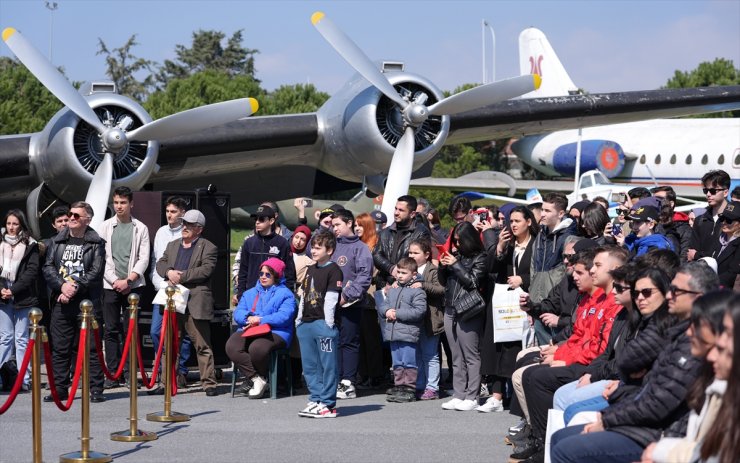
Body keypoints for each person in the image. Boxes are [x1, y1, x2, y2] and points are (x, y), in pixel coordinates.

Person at [549, 261, 720, 463]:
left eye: (675, 291)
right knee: (561, 435)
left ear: (698, 298)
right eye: (636, 292)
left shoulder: (693, 339)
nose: (668, 296)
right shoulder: (671, 328)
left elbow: (657, 399)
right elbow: (627, 363)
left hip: (660, 432)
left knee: (567, 445)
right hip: (641, 412)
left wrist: (607, 420)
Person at [512, 246, 627, 462]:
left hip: (595, 367)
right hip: (591, 363)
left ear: (616, 269)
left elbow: (600, 349)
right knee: (530, 369)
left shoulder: (613, 302)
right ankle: (540, 439)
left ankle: (545, 443)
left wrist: (565, 358)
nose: (592, 271)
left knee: (536, 378)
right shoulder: (593, 299)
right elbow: (580, 338)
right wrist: (561, 353)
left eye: (597, 266)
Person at [640, 290, 733, 463]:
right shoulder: (709, 375)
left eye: (696, 324)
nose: (689, 332)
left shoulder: (724, 389)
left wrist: (660, 451)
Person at [43, 201, 106, 403]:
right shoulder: (57, 241)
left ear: (87, 219)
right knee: (60, 348)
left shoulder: (97, 243)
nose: (71, 218)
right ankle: (60, 389)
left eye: (76, 215)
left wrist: (74, 287)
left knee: (91, 348)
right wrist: (62, 287)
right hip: (62, 300)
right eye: (70, 214)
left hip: (87, 302)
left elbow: (95, 272)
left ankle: (96, 388)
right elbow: (48, 268)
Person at [479, 206, 537, 413]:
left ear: (529, 222)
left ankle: (515, 394)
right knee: (498, 345)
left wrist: (524, 279)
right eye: (510, 221)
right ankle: (496, 395)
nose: (512, 225)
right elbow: (492, 268)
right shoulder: (509, 244)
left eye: (517, 221)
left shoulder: (537, 245)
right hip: (504, 301)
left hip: (526, 300)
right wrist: (500, 246)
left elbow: (543, 274)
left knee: (517, 348)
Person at [156, 209, 220, 396]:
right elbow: (160, 263)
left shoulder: (209, 247)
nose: (185, 227)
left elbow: (205, 271)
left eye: (190, 225)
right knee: (170, 344)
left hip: (195, 300)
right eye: (184, 223)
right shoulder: (172, 245)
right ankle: (166, 383)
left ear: (199, 229)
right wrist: (168, 272)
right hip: (174, 300)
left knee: (201, 344)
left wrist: (180, 276)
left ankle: (209, 384)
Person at [99, 186, 150, 388]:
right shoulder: (104, 227)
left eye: (123, 202)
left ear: (131, 204)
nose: (119, 206)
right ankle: (113, 373)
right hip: (110, 285)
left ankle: (130, 373)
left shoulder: (141, 228)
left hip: (133, 286)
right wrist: (115, 281)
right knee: (110, 330)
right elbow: (102, 259)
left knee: (131, 330)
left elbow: (144, 258)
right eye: (116, 202)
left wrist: (129, 280)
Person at [226, 258, 296, 399]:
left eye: (268, 274)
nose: (263, 277)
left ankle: (259, 379)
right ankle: (257, 379)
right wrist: (248, 317)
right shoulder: (250, 293)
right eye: (261, 273)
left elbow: (284, 317)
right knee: (232, 346)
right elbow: (238, 312)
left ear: (277, 275)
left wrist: (261, 319)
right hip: (250, 328)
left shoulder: (286, 294)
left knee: (257, 348)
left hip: (277, 331)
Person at [439, 221, 488, 411]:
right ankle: (459, 393)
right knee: (455, 354)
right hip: (450, 307)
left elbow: (473, 282)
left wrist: (456, 265)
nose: (457, 245)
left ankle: (472, 395)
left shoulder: (481, 257)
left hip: (469, 310)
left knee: (471, 354)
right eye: (455, 241)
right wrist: (443, 267)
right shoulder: (455, 256)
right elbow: (444, 282)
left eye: (460, 242)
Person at [295, 230, 343, 418]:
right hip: (306, 323)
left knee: (327, 365)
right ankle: (315, 398)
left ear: (329, 250)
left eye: (318, 248)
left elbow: (331, 299)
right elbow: (304, 296)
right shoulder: (310, 269)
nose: (313, 251)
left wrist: (328, 323)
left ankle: (328, 403)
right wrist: (299, 320)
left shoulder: (334, 270)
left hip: (323, 323)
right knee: (310, 366)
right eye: (312, 247)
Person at [148, 196, 191, 395]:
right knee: (156, 331)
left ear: (182, 213)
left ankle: (179, 371)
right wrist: (161, 284)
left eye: (173, 211)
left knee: (180, 333)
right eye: (167, 211)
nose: (169, 215)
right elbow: (157, 261)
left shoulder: (186, 232)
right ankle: (164, 367)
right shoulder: (161, 232)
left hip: (181, 287)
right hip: (162, 288)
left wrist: (177, 281)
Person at [330, 209, 373, 400]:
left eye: (338, 224)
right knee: (334, 341)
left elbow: (364, 276)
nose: (335, 228)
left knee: (348, 341)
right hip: (331, 303)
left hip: (350, 304)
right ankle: (337, 379)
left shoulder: (360, 248)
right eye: (333, 225)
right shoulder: (332, 245)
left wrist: (347, 295)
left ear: (349, 223)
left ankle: (348, 383)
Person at [377, 257, 426, 403]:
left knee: (408, 362)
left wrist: (397, 313)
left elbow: (419, 311)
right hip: (394, 332)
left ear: (414, 274)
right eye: (398, 272)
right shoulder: (393, 289)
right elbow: (384, 304)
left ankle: (409, 387)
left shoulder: (417, 291)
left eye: (404, 273)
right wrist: (386, 312)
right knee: (397, 362)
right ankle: (399, 385)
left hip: (408, 333)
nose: (399, 275)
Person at [0, 210, 39, 392]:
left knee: (21, 339)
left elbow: (31, 272)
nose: (11, 227)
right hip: (2, 296)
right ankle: (2, 376)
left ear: (21, 224)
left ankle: (24, 378)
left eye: (15, 224)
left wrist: (13, 290)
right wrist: (2, 290)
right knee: (5, 338)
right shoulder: (0, 242)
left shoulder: (30, 245)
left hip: (23, 296)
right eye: (9, 223)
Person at [407, 238, 445, 400]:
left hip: (431, 318)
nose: (412, 255)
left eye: (416, 253)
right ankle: (420, 384)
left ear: (427, 255)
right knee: (417, 355)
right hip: (414, 320)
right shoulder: (408, 269)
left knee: (430, 355)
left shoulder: (432, 270)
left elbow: (441, 289)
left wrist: (423, 285)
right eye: (410, 252)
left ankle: (432, 387)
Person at [236, 205, 295, 301]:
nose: (257, 222)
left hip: (274, 296)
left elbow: (289, 273)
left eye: (262, 219)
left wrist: (287, 297)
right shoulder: (249, 243)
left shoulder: (282, 243)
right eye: (256, 219)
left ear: (271, 221)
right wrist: (240, 295)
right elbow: (243, 272)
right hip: (252, 295)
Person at [373, 195, 431, 288]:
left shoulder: (421, 232)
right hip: (383, 285)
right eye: (396, 208)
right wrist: (391, 268)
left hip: (407, 287)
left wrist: (400, 274)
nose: (396, 213)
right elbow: (376, 255)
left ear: (412, 214)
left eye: (401, 210)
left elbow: (419, 260)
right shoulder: (385, 232)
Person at [529, 192, 576, 304]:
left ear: (560, 213)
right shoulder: (540, 236)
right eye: (542, 210)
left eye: (548, 211)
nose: (543, 214)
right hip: (536, 303)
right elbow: (532, 268)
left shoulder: (569, 238)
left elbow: (570, 273)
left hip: (557, 305)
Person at [689, 170, 731, 262]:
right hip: (701, 273)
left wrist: (697, 255)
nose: (708, 194)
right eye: (706, 190)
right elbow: (690, 253)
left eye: (713, 191)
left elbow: (727, 255)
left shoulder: (733, 220)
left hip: (724, 274)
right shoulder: (700, 220)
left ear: (725, 192)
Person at [652, 186, 692, 262]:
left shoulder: (684, 227)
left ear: (671, 204)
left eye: (659, 200)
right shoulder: (649, 223)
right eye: (653, 200)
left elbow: (684, 256)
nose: (654, 203)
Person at [714, 201, 740, 288]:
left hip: (725, 294)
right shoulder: (718, 237)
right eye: (722, 218)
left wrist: (710, 283)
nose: (724, 222)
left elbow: (732, 273)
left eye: (729, 220)